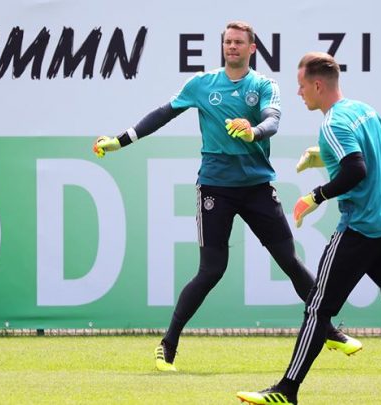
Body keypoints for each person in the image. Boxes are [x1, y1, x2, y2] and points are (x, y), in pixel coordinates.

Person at [92, 22, 362, 372]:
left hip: (257, 186)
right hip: (215, 188)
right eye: (228, 42)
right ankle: (168, 344)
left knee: (289, 261)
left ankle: (328, 331)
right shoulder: (202, 84)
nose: (232, 46)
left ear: (252, 48)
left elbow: (272, 121)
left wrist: (253, 132)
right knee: (211, 270)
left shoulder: (264, 85)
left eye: (239, 42)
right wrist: (120, 140)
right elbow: (162, 114)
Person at [236, 52, 381, 405]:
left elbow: (356, 169)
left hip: (360, 229)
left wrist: (315, 196)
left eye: (301, 86)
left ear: (318, 85)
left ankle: (287, 391)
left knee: (317, 309)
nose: (298, 92)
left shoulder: (332, 123)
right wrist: (323, 156)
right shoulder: (366, 110)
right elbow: (378, 157)